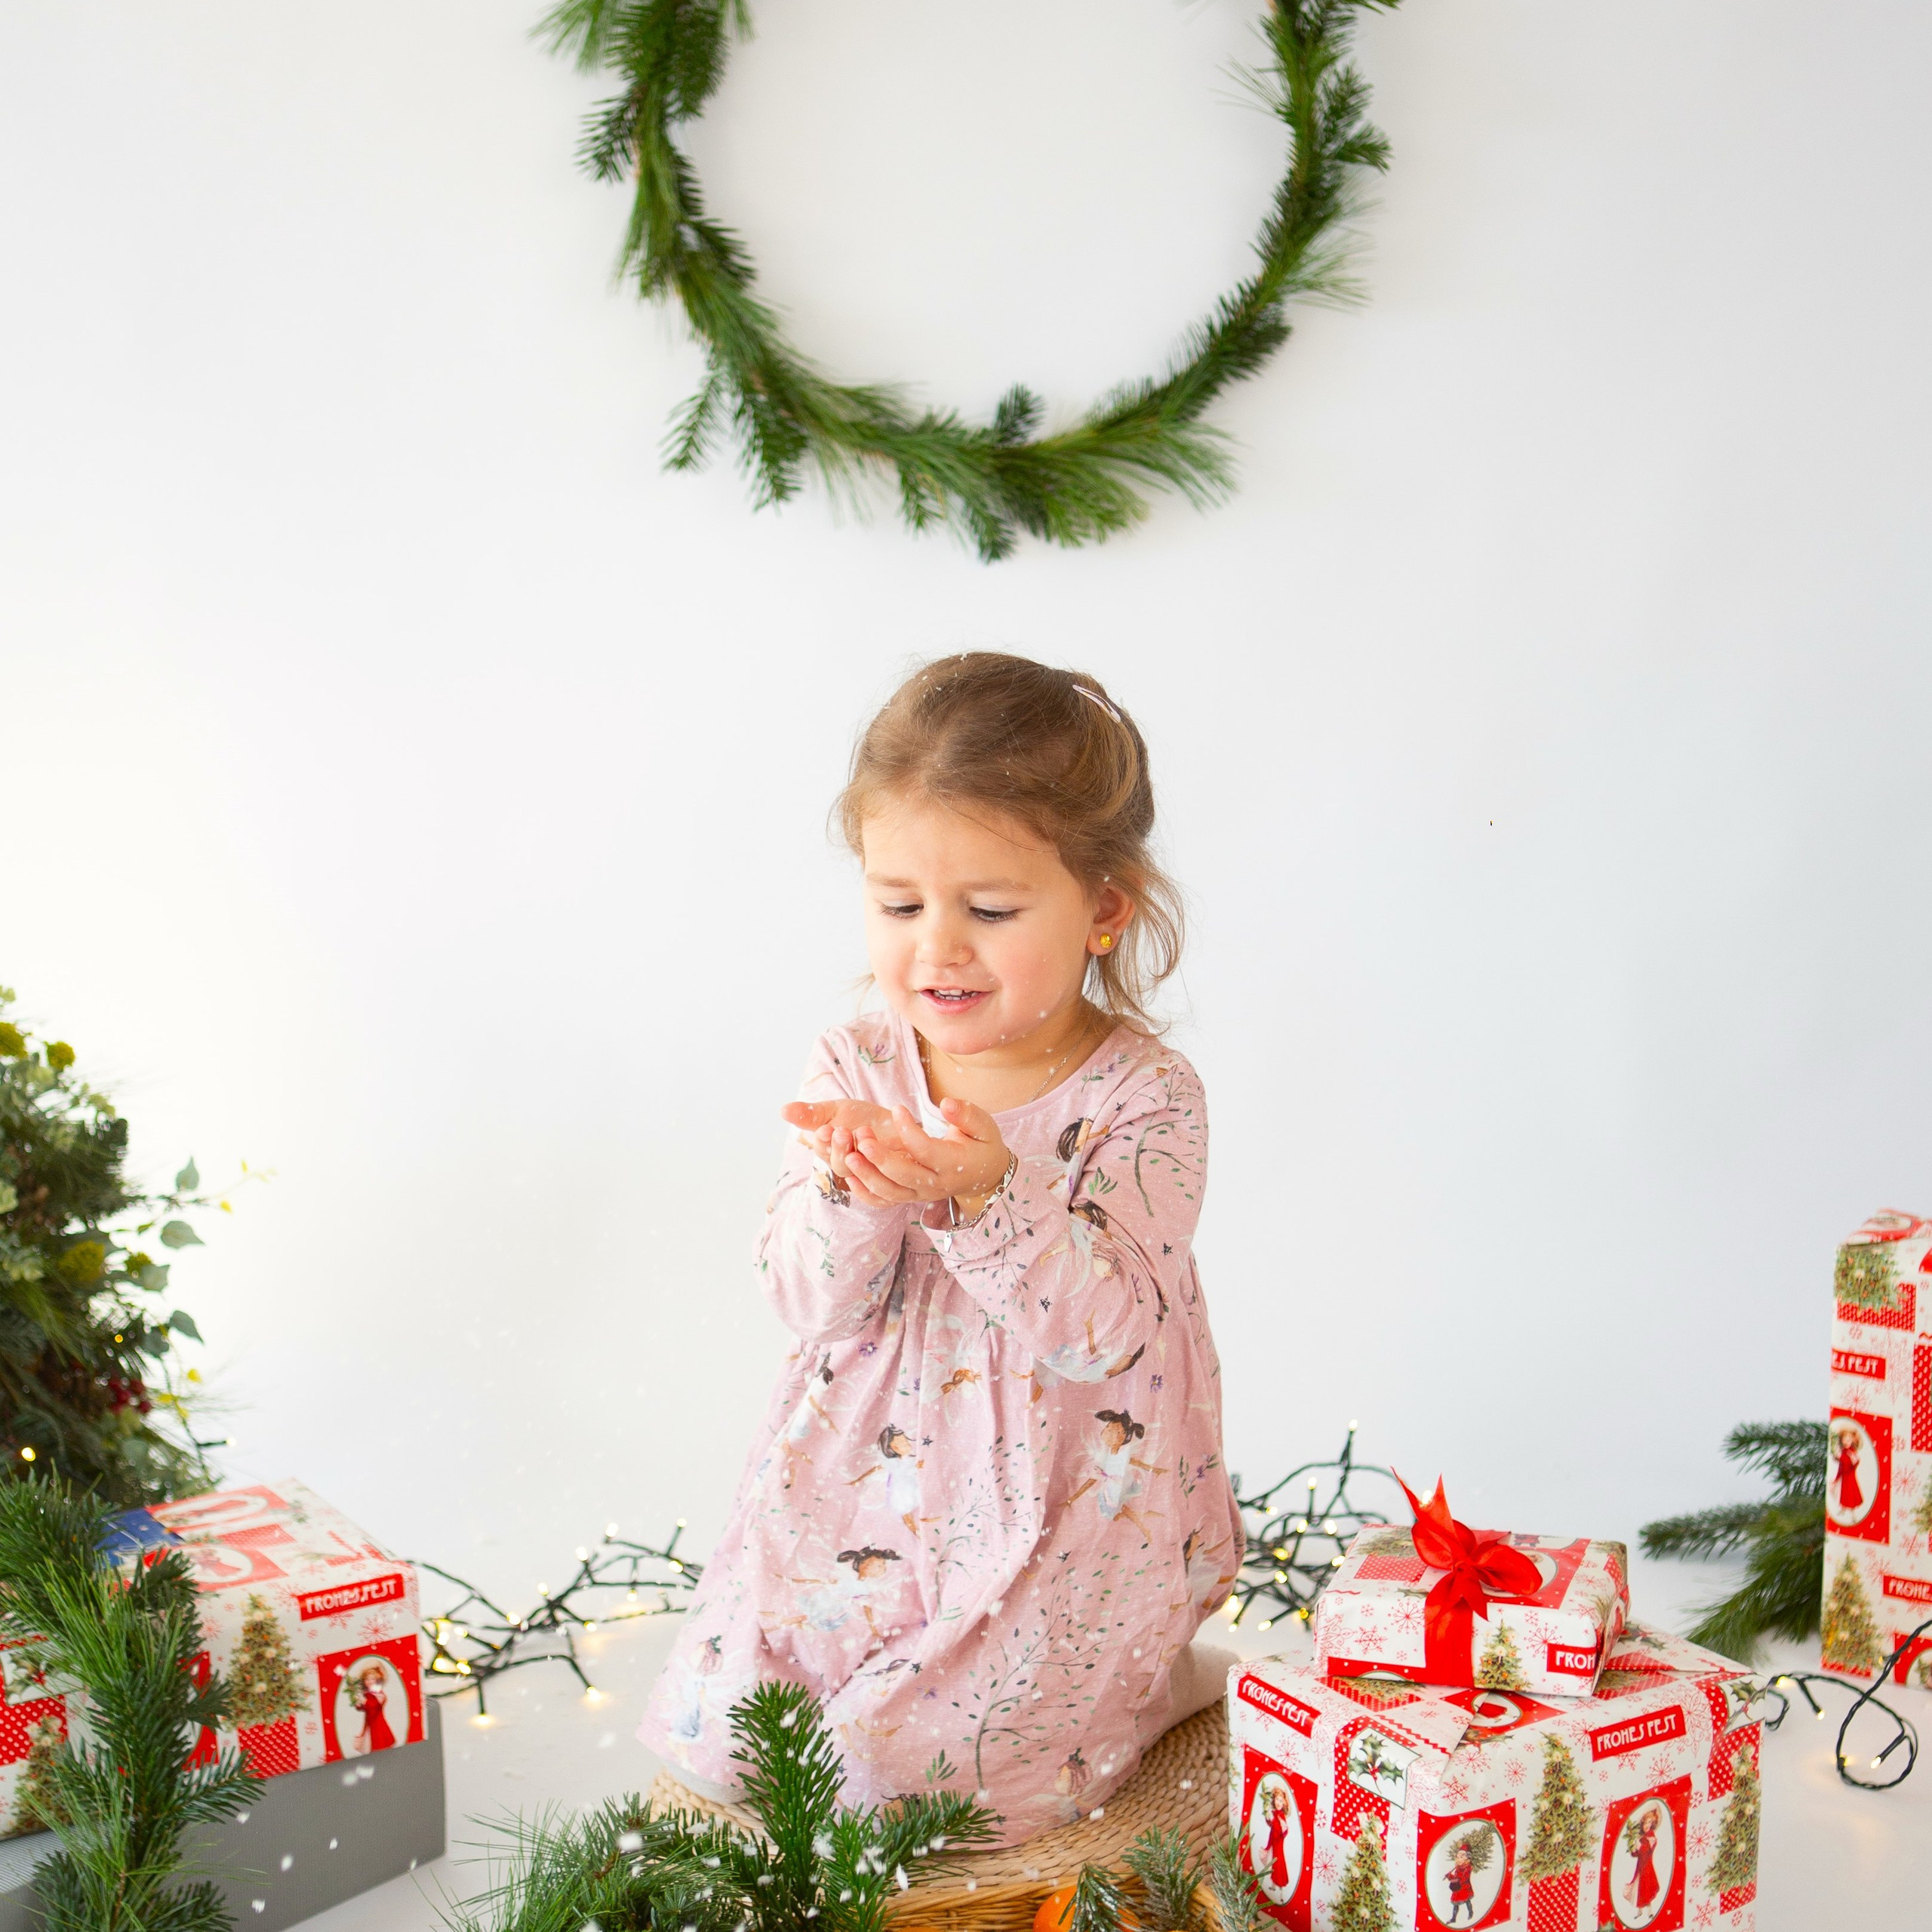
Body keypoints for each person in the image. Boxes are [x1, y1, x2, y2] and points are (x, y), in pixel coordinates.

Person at [638, 654, 1241, 1844]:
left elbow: (1105, 1333)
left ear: (1106, 908)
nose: (938, 951)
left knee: (903, 1779)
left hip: (1061, 1518)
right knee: (733, 1732)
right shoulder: (857, 1066)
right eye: (900, 906)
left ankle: (1146, 1681)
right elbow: (806, 1302)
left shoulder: (1146, 1098)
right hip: (856, 1498)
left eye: (992, 910)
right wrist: (857, 1187)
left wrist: (988, 1193)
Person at [349, 1660, 395, 1753]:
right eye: (367, 1679)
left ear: (377, 1680)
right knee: (370, 1741)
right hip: (369, 1722)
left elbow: (374, 1707)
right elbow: (366, 1708)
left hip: (377, 1722)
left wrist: (365, 1703)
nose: (370, 1681)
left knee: (379, 1741)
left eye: (372, 1679)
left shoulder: (378, 1694)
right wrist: (359, 1705)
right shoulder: (367, 1694)